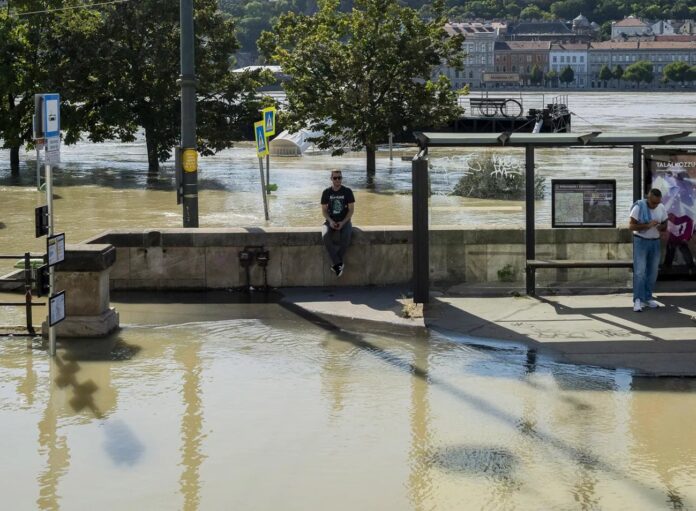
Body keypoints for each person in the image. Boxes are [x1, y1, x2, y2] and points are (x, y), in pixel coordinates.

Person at [629, 188, 668, 312]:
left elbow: (665, 223)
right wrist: (648, 225)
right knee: (640, 272)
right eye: (653, 203)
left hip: (655, 242)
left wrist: (661, 227)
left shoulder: (661, 207)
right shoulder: (639, 207)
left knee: (653, 272)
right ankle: (638, 300)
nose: (655, 205)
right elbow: (631, 226)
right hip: (641, 241)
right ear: (648, 198)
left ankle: (648, 297)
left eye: (657, 202)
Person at [321, 170, 355, 277]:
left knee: (346, 236)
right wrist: (330, 221)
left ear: (342, 178)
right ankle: (338, 263)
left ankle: (336, 264)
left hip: (345, 221)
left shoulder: (347, 191)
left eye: (339, 177)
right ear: (331, 179)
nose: (337, 180)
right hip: (330, 221)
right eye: (335, 178)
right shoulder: (326, 192)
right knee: (325, 235)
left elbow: (351, 210)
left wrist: (343, 222)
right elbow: (324, 211)